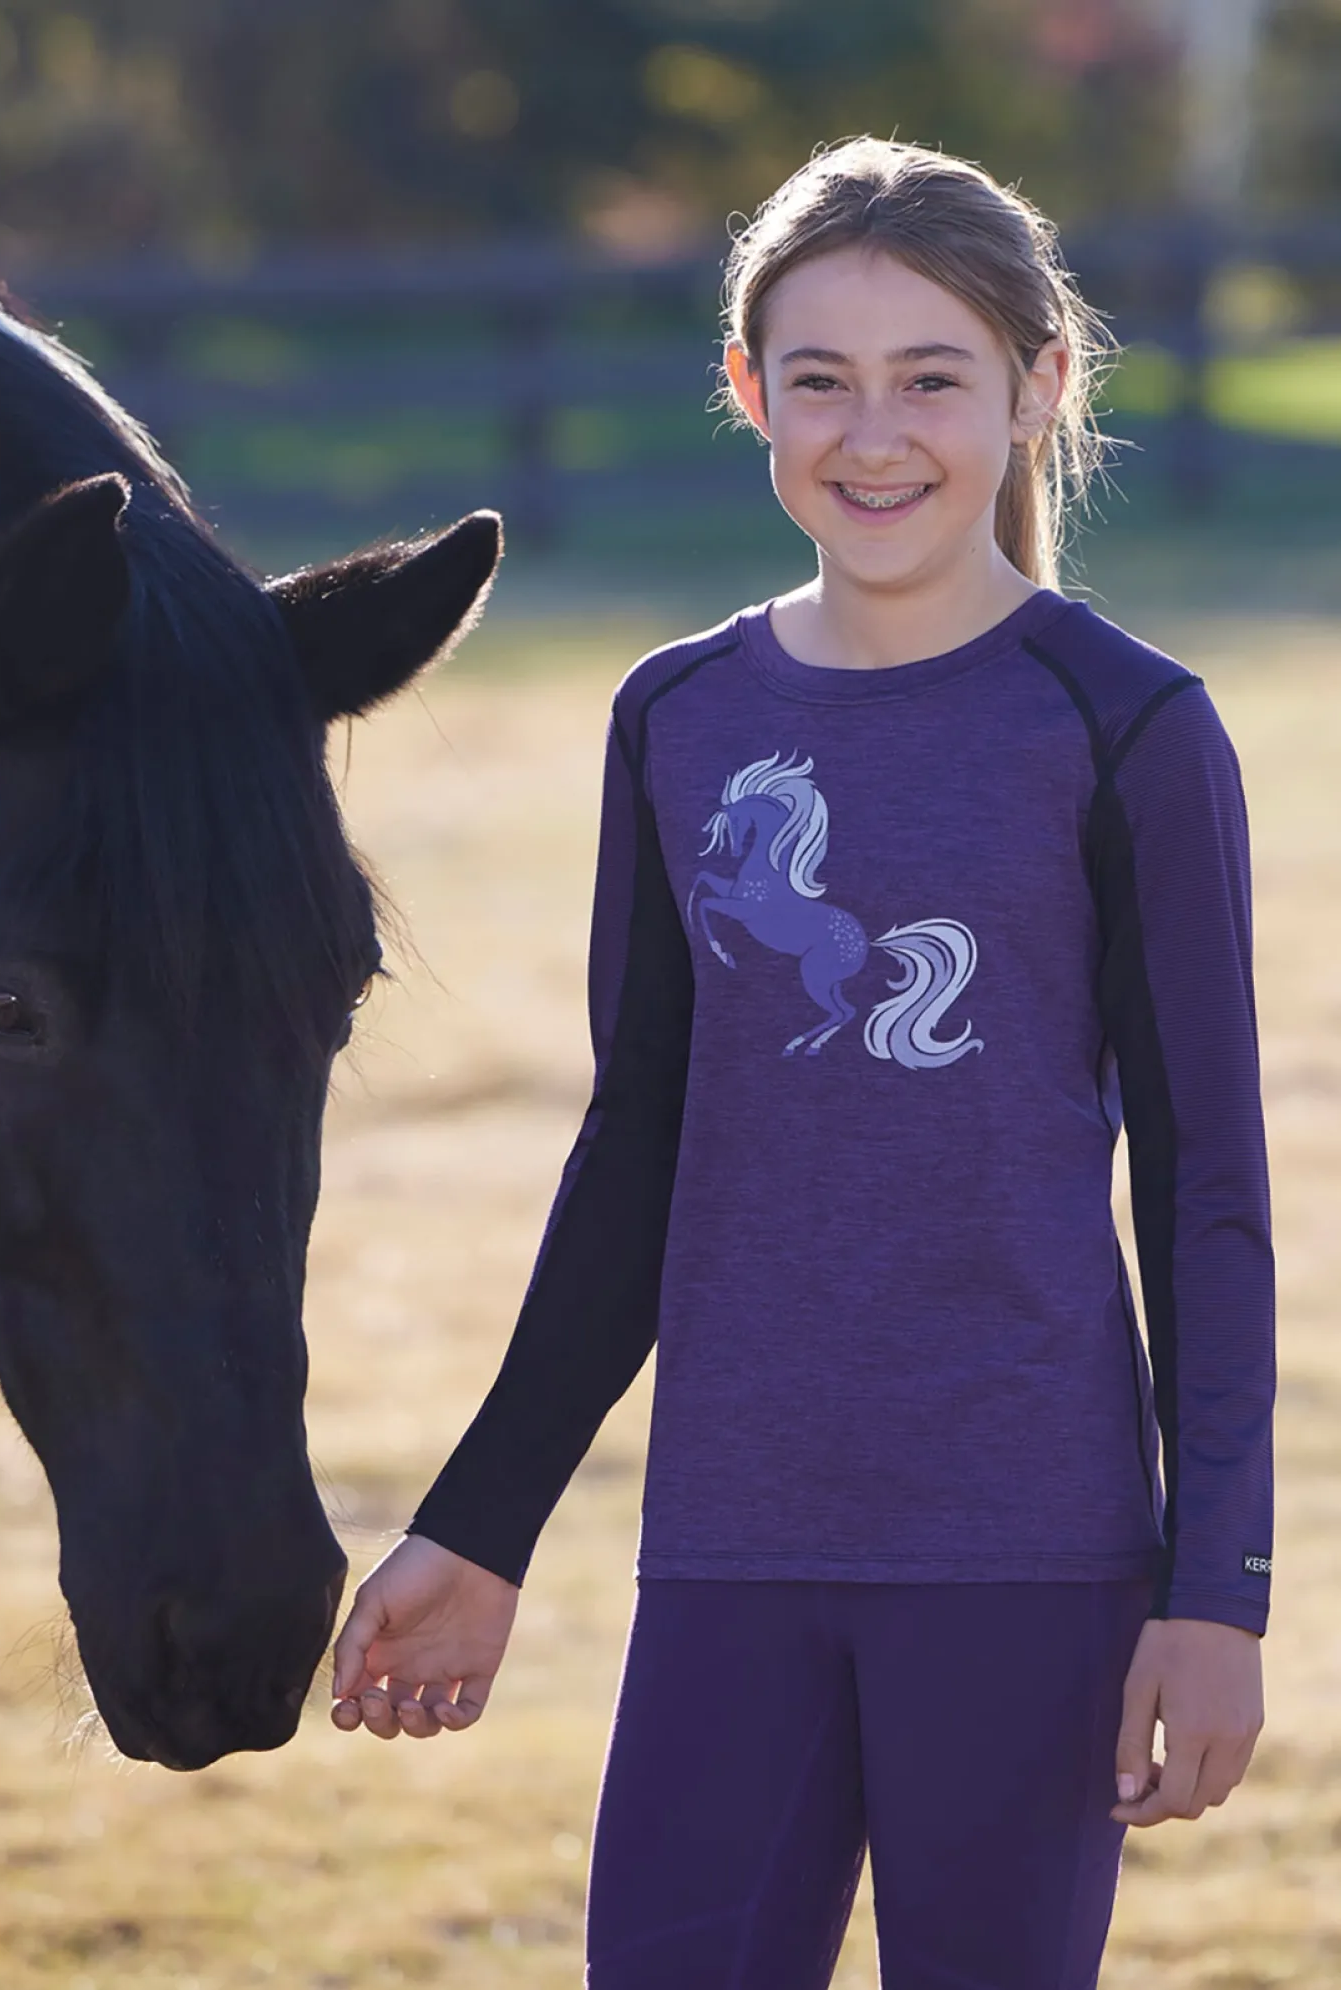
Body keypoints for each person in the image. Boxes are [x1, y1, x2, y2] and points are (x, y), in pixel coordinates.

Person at [329, 136, 1273, 1990]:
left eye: (933, 377)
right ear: (748, 392)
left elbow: (1208, 1192)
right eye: (821, 379)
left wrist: (1214, 1588)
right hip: (729, 1546)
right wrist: (481, 1520)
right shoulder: (679, 715)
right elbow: (637, 1151)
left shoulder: (1128, 726)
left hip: (1028, 1556)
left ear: (1037, 386)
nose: (875, 434)